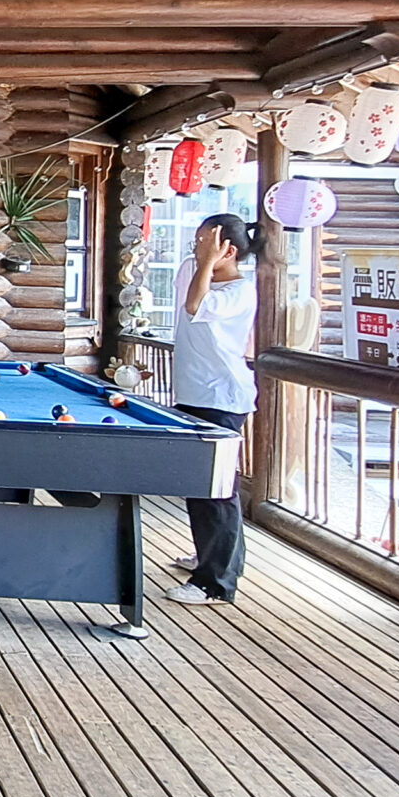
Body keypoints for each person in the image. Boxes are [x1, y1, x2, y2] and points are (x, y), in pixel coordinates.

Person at [166, 212, 258, 606]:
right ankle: (210, 558)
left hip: (221, 398)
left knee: (219, 490)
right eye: (196, 242)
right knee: (197, 484)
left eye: (205, 243)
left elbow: (194, 305)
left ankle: (216, 583)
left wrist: (207, 261)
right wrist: (202, 258)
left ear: (228, 251)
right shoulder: (193, 268)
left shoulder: (241, 291)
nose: (196, 249)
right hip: (193, 393)